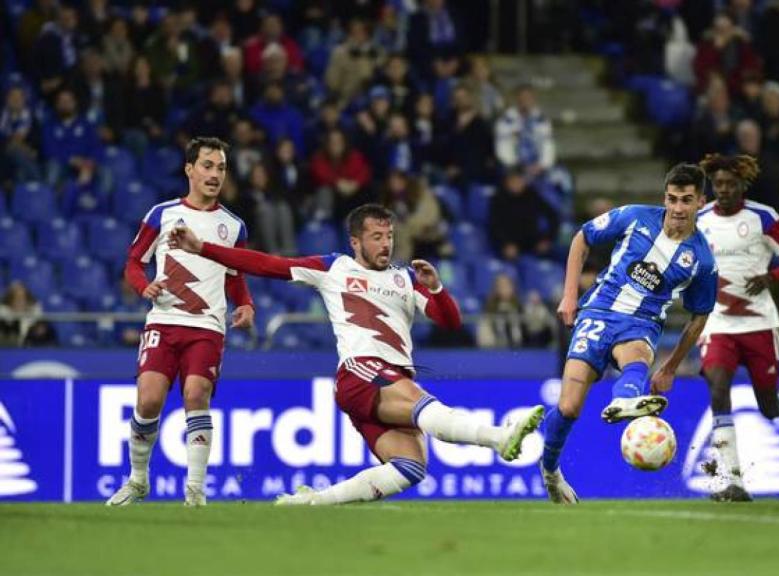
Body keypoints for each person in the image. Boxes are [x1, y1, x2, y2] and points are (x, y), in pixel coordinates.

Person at [168, 204, 544, 506]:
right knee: (420, 405)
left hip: (390, 381)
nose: (386, 244)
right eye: (376, 237)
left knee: (411, 467)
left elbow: (449, 321)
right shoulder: (334, 268)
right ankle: (498, 438)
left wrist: (438, 288)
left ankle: (314, 504)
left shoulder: (406, 278)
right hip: (362, 372)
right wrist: (203, 248)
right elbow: (268, 264)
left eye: (390, 236)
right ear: (355, 242)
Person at [540, 163, 718, 504]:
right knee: (568, 408)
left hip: (642, 323)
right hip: (598, 312)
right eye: (673, 199)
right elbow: (583, 237)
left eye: (686, 200)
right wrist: (569, 295)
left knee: (635, 353)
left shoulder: (702, 260)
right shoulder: (635, 217)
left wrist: (669, 367)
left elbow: (699, 316)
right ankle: (550, 472)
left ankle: (624, 400)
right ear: (665, 198)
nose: (678, 208)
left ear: (701, 202)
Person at [106, 137, 255, 507]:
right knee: (149, 399)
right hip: (163, 322)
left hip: (207, 325)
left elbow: (236, 273)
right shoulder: (163, 214)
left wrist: (247, 304)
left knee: (195, 395)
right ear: (189, 169)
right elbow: (133, 261)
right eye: (207, 165)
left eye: (221, 167)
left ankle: (195, 491)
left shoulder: (233, 226)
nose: (215, 174)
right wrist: (144, 287)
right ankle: (138, 480)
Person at [694, 153, 779, 502]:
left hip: (759, 324)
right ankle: (733, 480)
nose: (724, 190)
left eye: (731, 184)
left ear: (743, 184)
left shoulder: (763, 218)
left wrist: (771, 275)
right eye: (718, 184)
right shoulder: (698, 221)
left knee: (767, 407)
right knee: (717, 389)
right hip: (718, 323)